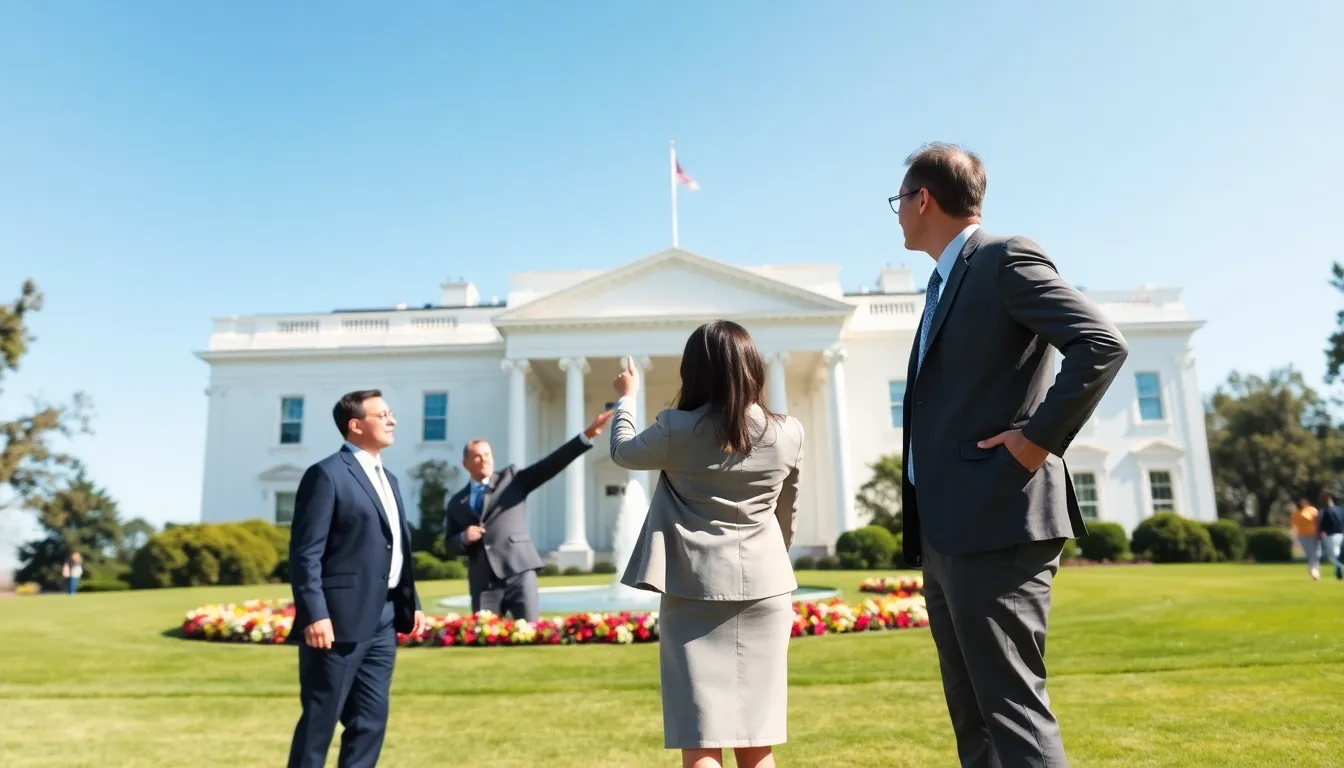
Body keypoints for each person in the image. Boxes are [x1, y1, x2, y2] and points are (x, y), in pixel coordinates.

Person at [893, 142, 1129, 766]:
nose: (896, 214)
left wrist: (1033, 443)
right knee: (974, 717)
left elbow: (1100, 345)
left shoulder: (1002, 260)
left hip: (997, 516)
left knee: (1012, 710)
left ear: (923, 199)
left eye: (898, 201)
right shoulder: (942, 285)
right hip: (948, 530)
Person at [611, 321, 804, 768]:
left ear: (693, 371)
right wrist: (772, 557)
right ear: (753, 367)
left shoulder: (677, 428)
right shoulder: (788, 431)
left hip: (692, 588)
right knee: (758, 738)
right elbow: (786, 513)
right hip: (767, 588)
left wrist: (626, 398)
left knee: (700, 736)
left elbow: (622, 452)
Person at [286, 390, 424, 768]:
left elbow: (396, 548)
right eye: (383, 415)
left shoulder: (391, 479)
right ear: (356, 425)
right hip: (336, 621)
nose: (392, 420)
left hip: (383, 619)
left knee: (369, 722)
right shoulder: (326, 474)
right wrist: (315, 613)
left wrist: (413, 603)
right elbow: (305, 553)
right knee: (320, 722)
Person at [444, 410, 615, 623]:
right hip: (483, 583)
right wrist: (463, 538)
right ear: (465, 464)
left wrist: (587, 435)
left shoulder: (512, 480)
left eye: (487, 454)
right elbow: (449, 544)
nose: (484, 460)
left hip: (519, 574)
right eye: (477, 456)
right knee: (484, 640)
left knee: (532, 633)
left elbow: (550, 464)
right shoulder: (456, 502)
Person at [1315, 492, 1344, 580]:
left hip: (1329, 535)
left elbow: (1320, 524)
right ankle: (1338, 573)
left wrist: (1319, 534)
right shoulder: (1340, 510)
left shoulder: (1323, 511)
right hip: (1341, 534)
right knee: (1337, 553)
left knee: (1332, 556)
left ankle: (1341, 567)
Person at [1292, 495, 1322, 580]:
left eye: (1304, 501)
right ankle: (1314, 570)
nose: (1303, 503)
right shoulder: (1296, 512)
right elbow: (1295, 524)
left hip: (1314, 535)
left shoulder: (1312, 510)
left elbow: (1317, 521)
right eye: (1301, 501)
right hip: (1303, 536)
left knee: (1316, 554)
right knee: (1311, 554)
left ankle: (1314, 571)